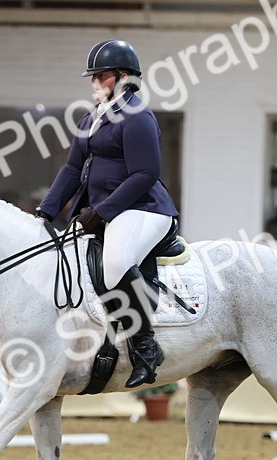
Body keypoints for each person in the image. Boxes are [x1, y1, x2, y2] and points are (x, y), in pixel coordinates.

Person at [35, 39, 180, 388]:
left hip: (142, 209)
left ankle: (146, 349)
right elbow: (72, 169)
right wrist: (46, 212)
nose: (94, 83)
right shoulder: (91, 118)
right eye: (93, 77)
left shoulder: (138, 116)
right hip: (106, 212)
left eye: (101, 76)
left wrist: (100, 212)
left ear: (124, 77)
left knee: (116, 263)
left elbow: (146, 174)